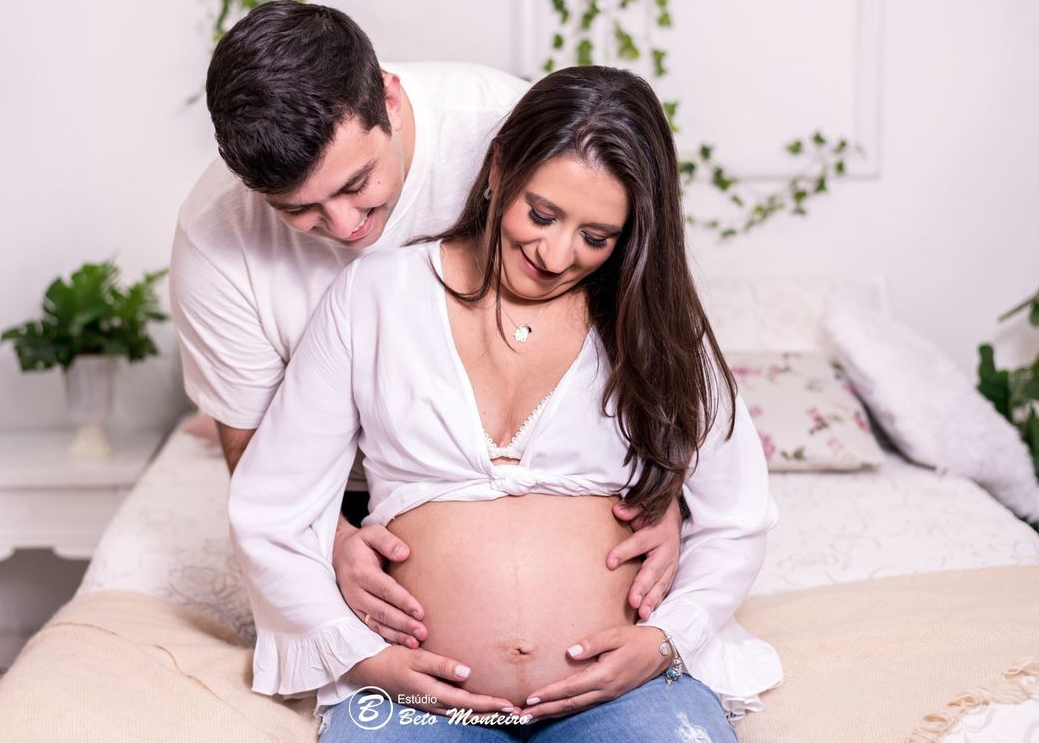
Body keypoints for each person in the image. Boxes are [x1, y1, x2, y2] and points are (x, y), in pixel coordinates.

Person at [228, 66, 782, 743]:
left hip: (627, 693)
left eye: (596, 236)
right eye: (542, 214)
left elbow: (737, 516)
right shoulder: (374, 298)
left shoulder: (651, 321)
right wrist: (362, 654)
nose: (555, 253)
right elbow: (270, 505)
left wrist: (665, 640)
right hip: (415, 701)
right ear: (499, 169)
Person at [169, 0, 685, 671]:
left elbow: (642, 298)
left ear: (388, 94)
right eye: (299, 209)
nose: (347, 223)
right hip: (342, 487)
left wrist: (669, 493)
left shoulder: (508, 129)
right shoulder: (215, 241)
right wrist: (331, 539)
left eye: (357, 183)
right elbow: (256, 460)